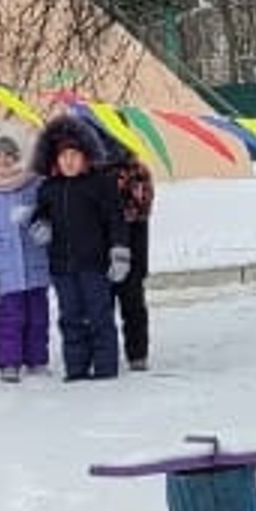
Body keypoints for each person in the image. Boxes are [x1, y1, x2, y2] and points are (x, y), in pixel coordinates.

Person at [31, 107, 123, 381]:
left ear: (86, 158)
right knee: (70, 317)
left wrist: (119, 252)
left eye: (74, 155)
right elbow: (41, 214)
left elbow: (115, 220)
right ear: (55, 160)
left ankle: (105, 366)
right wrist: (40, 226)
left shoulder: (100, 184)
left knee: (99, 315)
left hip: (95, 264)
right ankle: (77, 367)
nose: (69, 161)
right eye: (63, 156)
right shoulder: (49, 188)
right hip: (62, 266)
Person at [0, 129, 50, 380]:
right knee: (10, 318)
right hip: (6, 267)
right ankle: (9, 362)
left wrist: (41, 226)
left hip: (35, 262)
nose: (3, 160)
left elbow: (48, 213)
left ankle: (37, 360)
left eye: (9, 155)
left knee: (38, 316)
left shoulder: (35, 184)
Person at [107, 135, 157, 367]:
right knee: (100, 309)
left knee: (133, 307)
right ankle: (105, 354)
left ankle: (137, 354)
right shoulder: (90, 172)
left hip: (133, 250)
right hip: (99, 254)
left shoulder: (138, 172)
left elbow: (140, 209)